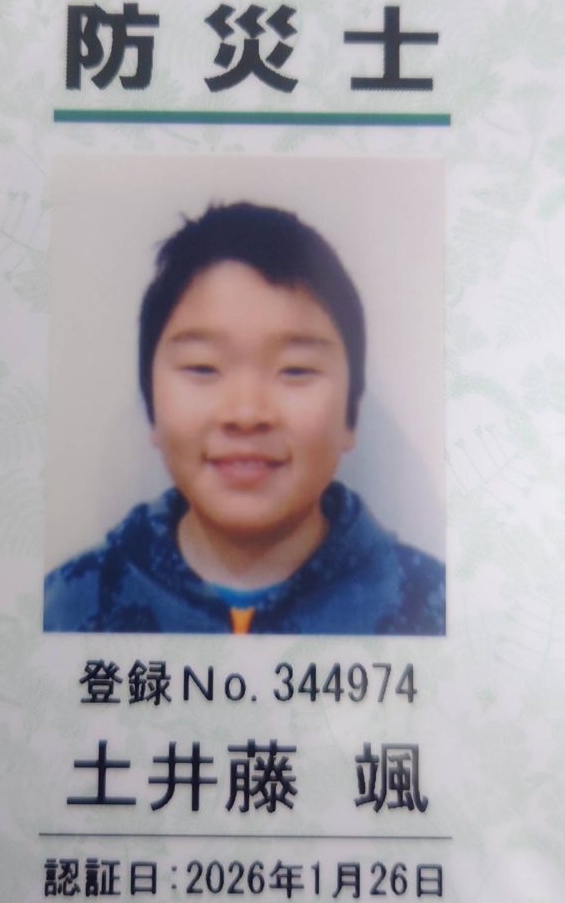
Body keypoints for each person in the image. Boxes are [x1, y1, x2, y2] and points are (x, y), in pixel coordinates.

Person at [44, 202, 444, 634]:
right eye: (203, 368)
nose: (246, 414)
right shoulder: (69, 607)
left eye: (295, 370)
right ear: (153, 408)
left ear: (351, 414)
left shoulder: (431, 607)